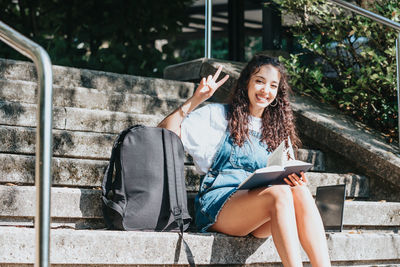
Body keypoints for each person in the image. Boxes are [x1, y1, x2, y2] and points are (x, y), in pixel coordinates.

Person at [158, 55, 331, 267]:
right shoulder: (217, 116)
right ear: (246, 82)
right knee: (279, 193)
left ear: (278, 93)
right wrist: (196, 100)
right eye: (259, 81)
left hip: (261, 211)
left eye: (273, 85)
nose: (265, 90)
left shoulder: (277, 131)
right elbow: (163, 133)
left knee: (299, 191)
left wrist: (296, 180)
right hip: (220, 206)